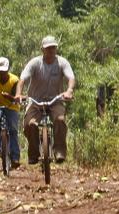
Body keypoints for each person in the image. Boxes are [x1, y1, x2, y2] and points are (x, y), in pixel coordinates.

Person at [14, 35, 75, 164]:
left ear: (56, 49)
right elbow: (22, 79)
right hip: (35, 101)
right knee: (30, 125)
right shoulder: (35, 63)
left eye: (53, 48)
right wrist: (19, 94)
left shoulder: (62, 62)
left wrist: (69, 90)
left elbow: (71, 77)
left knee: (60, 120)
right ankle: (33, 154)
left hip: (55, 100)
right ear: (42, 49)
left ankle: (59, 152)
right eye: (48, 48)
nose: (51, 51)